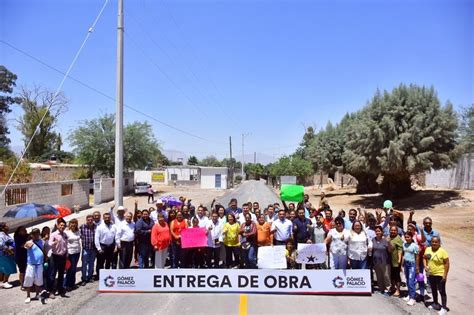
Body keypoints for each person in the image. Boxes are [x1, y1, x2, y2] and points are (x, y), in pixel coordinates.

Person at [424, 236, 449, 314]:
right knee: (433, 289)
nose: (434, 243)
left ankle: (444, 308)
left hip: (440, 274)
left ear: (439, 243)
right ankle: (435, 304)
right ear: (431, 242)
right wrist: (425, 266)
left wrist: (445, 275)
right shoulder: (428, 249)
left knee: (442, 291)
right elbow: (424, 257)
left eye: (436, 242)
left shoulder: (442, 251)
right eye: (433, 242)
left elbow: (447, 263)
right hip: (431, 273)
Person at [23, 228, 48, 304]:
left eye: (37, 233)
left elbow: (43, 251)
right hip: (31, 265)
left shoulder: (42, 242)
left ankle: (37, 294)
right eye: (34, 234)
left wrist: (45, 260)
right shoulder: (29, 242)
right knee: (29, 279)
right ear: (32, 235)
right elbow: (25, 245)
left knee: (38, 280)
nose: (36, 235)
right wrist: (28, 243)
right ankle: (28, 296)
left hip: (39, 264)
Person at [371, 225, 393, 295]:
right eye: (376, 231)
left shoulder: (385, 240)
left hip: (385, 262)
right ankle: (381, 289)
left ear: (382, 232)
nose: (378, 232)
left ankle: (388, 289)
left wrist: (389, 242)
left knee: (386, 276)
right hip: (376, 262)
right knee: (379, 276)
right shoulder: (373, 240)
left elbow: (390, 250)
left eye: (379, 231)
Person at [49, 218, 68, 296]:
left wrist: (67, 254)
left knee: (61, 274)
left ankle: (60, 289)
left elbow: (66, 245)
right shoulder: (53, 234)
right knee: (52, 274)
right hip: (55, 257)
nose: (62, 226)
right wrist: (54, 242)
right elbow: (49, 243)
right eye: (61, 225)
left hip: (63, 257)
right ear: (57, 226)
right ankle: (51, 291)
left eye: (64, 225)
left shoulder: (65, 234)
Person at [402, 231, 419, 306]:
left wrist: (417, 266)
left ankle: (413, 298)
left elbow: (417, 257)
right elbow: (404, 254)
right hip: (406, 264)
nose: (406, 238)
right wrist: (402, 264)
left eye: (408, 237)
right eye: (405, 237)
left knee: (411, 281)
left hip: (412, 264)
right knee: (407, 280)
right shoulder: (404, 244)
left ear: (411, 237)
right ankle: (409, 295)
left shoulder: (414, 246)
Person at [79, 215, 96, 285]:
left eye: (91, 220)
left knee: (91, 263)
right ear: (86, 220)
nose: (90, 221)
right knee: (84, 264)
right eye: (88, 220)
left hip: (93, 249)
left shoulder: (95, 227)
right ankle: (84, 278)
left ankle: (90, 277)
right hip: (85, 248)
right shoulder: (82, 227)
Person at [64, 218, 81, 290]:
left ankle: (72, 284)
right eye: (72, 223)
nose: (73, 224)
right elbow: (64, 242)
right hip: (70, 253)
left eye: (75, 223)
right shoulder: (66, 232)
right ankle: (66, 285)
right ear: (69, 224)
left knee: (73, 269)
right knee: (70, 269)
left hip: (77, 252)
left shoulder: (78, 231)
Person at [389, 225, 403, 297]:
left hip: (396, 260)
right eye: (392, 230)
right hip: (389, 260)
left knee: (397, 276)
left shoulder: (398, 239)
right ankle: (393, 287)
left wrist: (399, 260)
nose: (393, 231)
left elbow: (400, 250)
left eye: (395, 230)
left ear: (397, 231)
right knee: (392, 275)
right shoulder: (389, 237)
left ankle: (398, 290)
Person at [0, 222, 16, 289]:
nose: (8, 227)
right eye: (6, 226)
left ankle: (3, 281)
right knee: (8, 268)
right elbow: (1, 244)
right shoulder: (1, 235)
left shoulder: (5, 234)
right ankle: (5, 282)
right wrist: (9, 250)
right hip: (5, 255)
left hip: (8, 254)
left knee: (5, 268)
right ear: (2, 228)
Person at [14, 226, 28, 290]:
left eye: (25, 229)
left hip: (27, 256)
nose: (25, 230)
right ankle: (22, 284)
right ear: (19, 232)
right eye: (23, 230)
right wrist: (28, 239)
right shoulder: (17, 237)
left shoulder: (27, 235)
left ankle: (27, 283)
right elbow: (22, 246)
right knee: (22, 271)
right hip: (20, 257)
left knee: (27, 271)